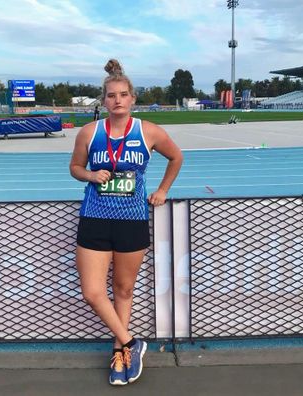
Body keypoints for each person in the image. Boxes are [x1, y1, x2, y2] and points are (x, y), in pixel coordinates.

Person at [69, 59, 183, 386]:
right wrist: (91, 174)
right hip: (94, 218)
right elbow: (75, 167)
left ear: (133, 98)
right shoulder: (89, 133)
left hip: (132, 219)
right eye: (110, 95)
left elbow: (177, 157)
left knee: (124, 289)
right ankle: (134, 343)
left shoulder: (147, 131)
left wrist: (162, 190)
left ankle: (121, 352)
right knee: (93, 292)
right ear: (103, 100)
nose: (117, 100)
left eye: (123, 94)